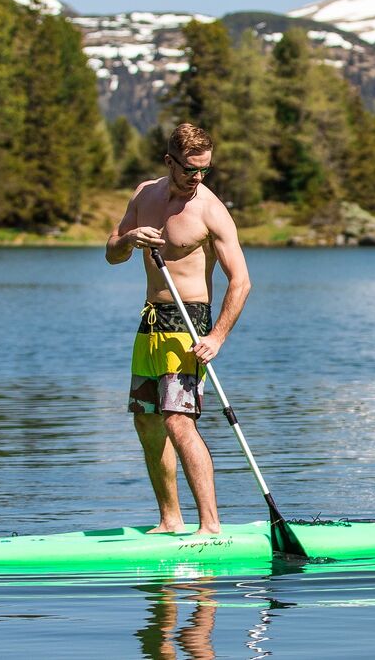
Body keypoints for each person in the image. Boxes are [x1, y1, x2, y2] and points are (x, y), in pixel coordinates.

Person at [106, 123, 251, 535]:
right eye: (190, 169)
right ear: (169, 162)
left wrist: (217, 336)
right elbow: (111, 255)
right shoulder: (144, 194)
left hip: (189, 325)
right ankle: (171, 520)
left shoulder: (209, 209)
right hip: (150, 322)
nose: (198, 178)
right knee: (147, 421)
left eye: (205, 169)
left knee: (178, 421)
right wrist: (130, 238)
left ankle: (211, 526)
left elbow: (240, 281)